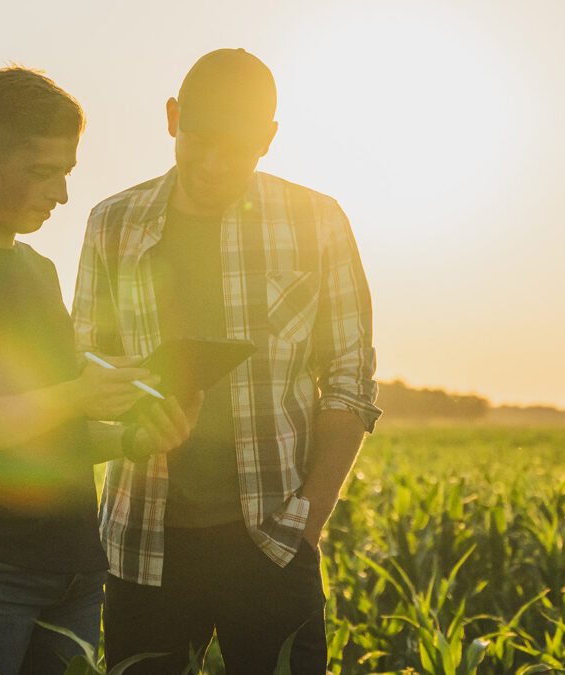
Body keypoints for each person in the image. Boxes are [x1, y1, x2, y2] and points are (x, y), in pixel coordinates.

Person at [0, 66, 199, 675]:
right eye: (45, 172)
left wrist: (131, 436)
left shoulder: (39, 271)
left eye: (69, 173)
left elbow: (50, 432)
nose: (63, 194)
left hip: (75, 572)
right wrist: (77, 394)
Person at [72, 49, 382, 673]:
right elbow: (84, 371)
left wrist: (307, 525)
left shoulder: (317, 223)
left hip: (274, 542)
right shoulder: (112, 224)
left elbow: (349, 381)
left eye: (236, 147)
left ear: (268, 139)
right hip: (142, 547)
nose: (213, 164)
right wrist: (130, 423)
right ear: (171, 118)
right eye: (200, 140)